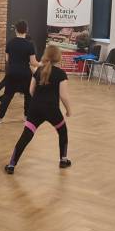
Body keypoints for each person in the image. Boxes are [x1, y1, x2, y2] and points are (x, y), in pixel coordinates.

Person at [5, 45, 71, 174]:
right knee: (62, 132)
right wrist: (69, 110)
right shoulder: (61, 74)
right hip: (52, 110)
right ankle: (63, 160)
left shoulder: (38, 71)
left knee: (26, 136)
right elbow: (63, 96)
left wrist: (38, 101)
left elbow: (31, 91)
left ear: (46, 56)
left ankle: (11, 165)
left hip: (35, 108)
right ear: (58, 58)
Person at [0, 20, 39, 124]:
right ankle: (26, 117)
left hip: (12, 72)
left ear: (16, 30)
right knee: (28, 95)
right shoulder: (29, 45)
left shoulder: (10, 43)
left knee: (7, 95)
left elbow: (7, 59)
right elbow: (33, 62)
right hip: (25, 74)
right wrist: (42, 64)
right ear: (26, 30)